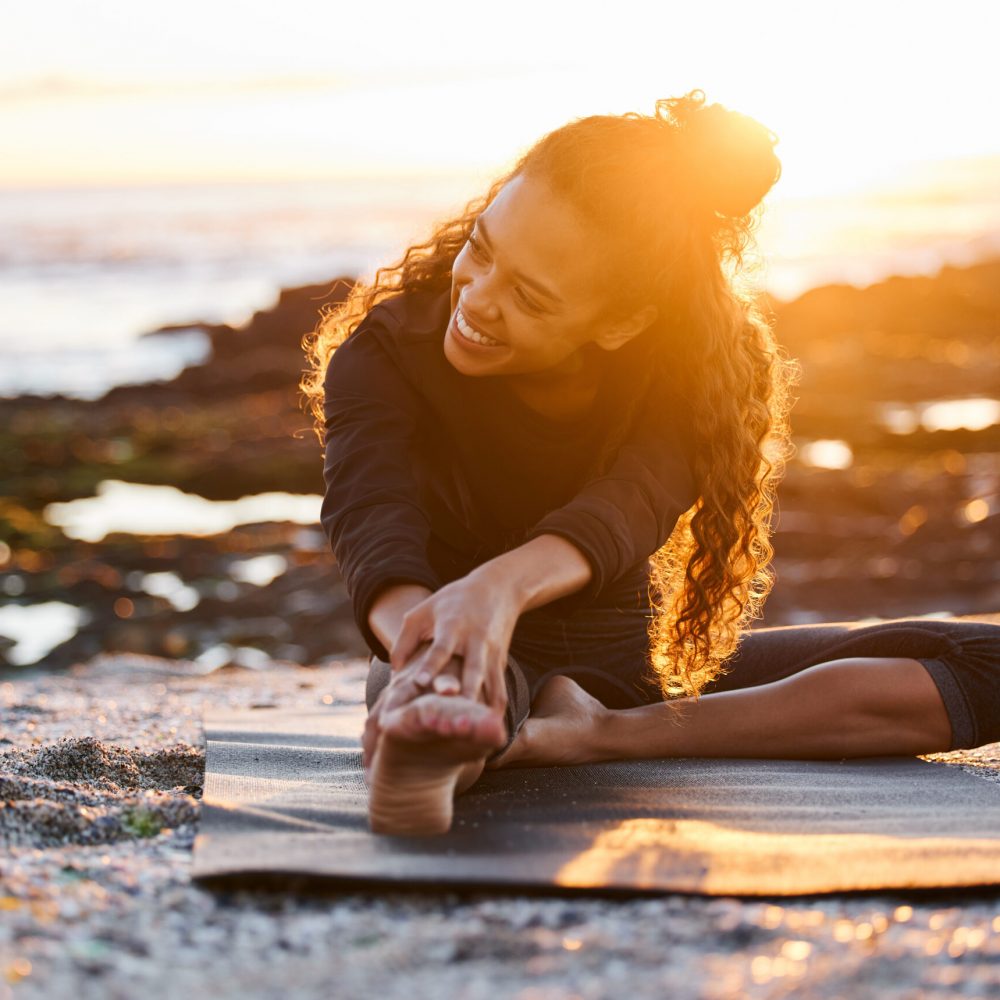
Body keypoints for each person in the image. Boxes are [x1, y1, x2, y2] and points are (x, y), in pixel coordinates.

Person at [300, 90, 1000, 836]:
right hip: (468, 655)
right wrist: (431, 639)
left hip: (634, 674)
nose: (476, 298)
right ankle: (434, 727)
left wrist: (501, 586)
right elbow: (370, 514)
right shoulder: (383, 356)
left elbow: (626, 507)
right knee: (457, 692)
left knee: (987, 662)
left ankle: (593, 734)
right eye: (481, 247)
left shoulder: (685, 379)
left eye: (530, 297)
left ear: (623, 322)